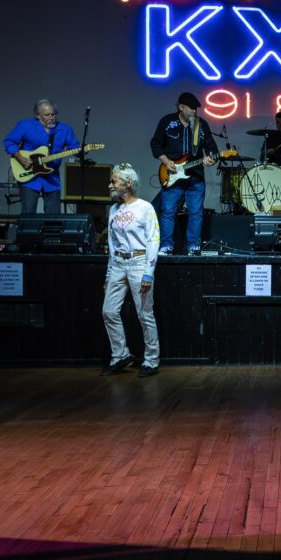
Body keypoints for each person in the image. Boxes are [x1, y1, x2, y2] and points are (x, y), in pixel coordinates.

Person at [101, 163, 161, 378]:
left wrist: (148, 272)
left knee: (144, 314)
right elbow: (112, 244)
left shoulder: (145, 208)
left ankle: (151, 360)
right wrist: (109, 275)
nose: (110, 185)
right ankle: (120, 355)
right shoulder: (114, 210)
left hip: (138, 263)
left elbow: (154, 241)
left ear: (127, 183)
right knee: (108, 311)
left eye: (113, 181)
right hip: (118, 264)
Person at [151, 92, 218, 256]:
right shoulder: (167, 122)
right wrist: (167, 162)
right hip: (171, 174)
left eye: (196, 109)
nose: (195, 112)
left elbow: (212, 149)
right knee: (168, 212)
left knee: (196, 212)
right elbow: (155, 144)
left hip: (195, 177)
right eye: (191, 109)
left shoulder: (201, 126)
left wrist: (211, 159)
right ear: (181, 107)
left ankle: (193, 246)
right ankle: (166, 245)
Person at [3, 98, 81, 214]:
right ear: (38, 115)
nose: (51, 117)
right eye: (47, 115)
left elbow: (75, 149)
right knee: (28, 214)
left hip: (52, 178)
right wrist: (21, 158)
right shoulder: (25, 125)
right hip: (29, 177)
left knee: (54, 216)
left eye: (54, 114)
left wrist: (82, 150)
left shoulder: (64, 129)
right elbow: (9, 142)